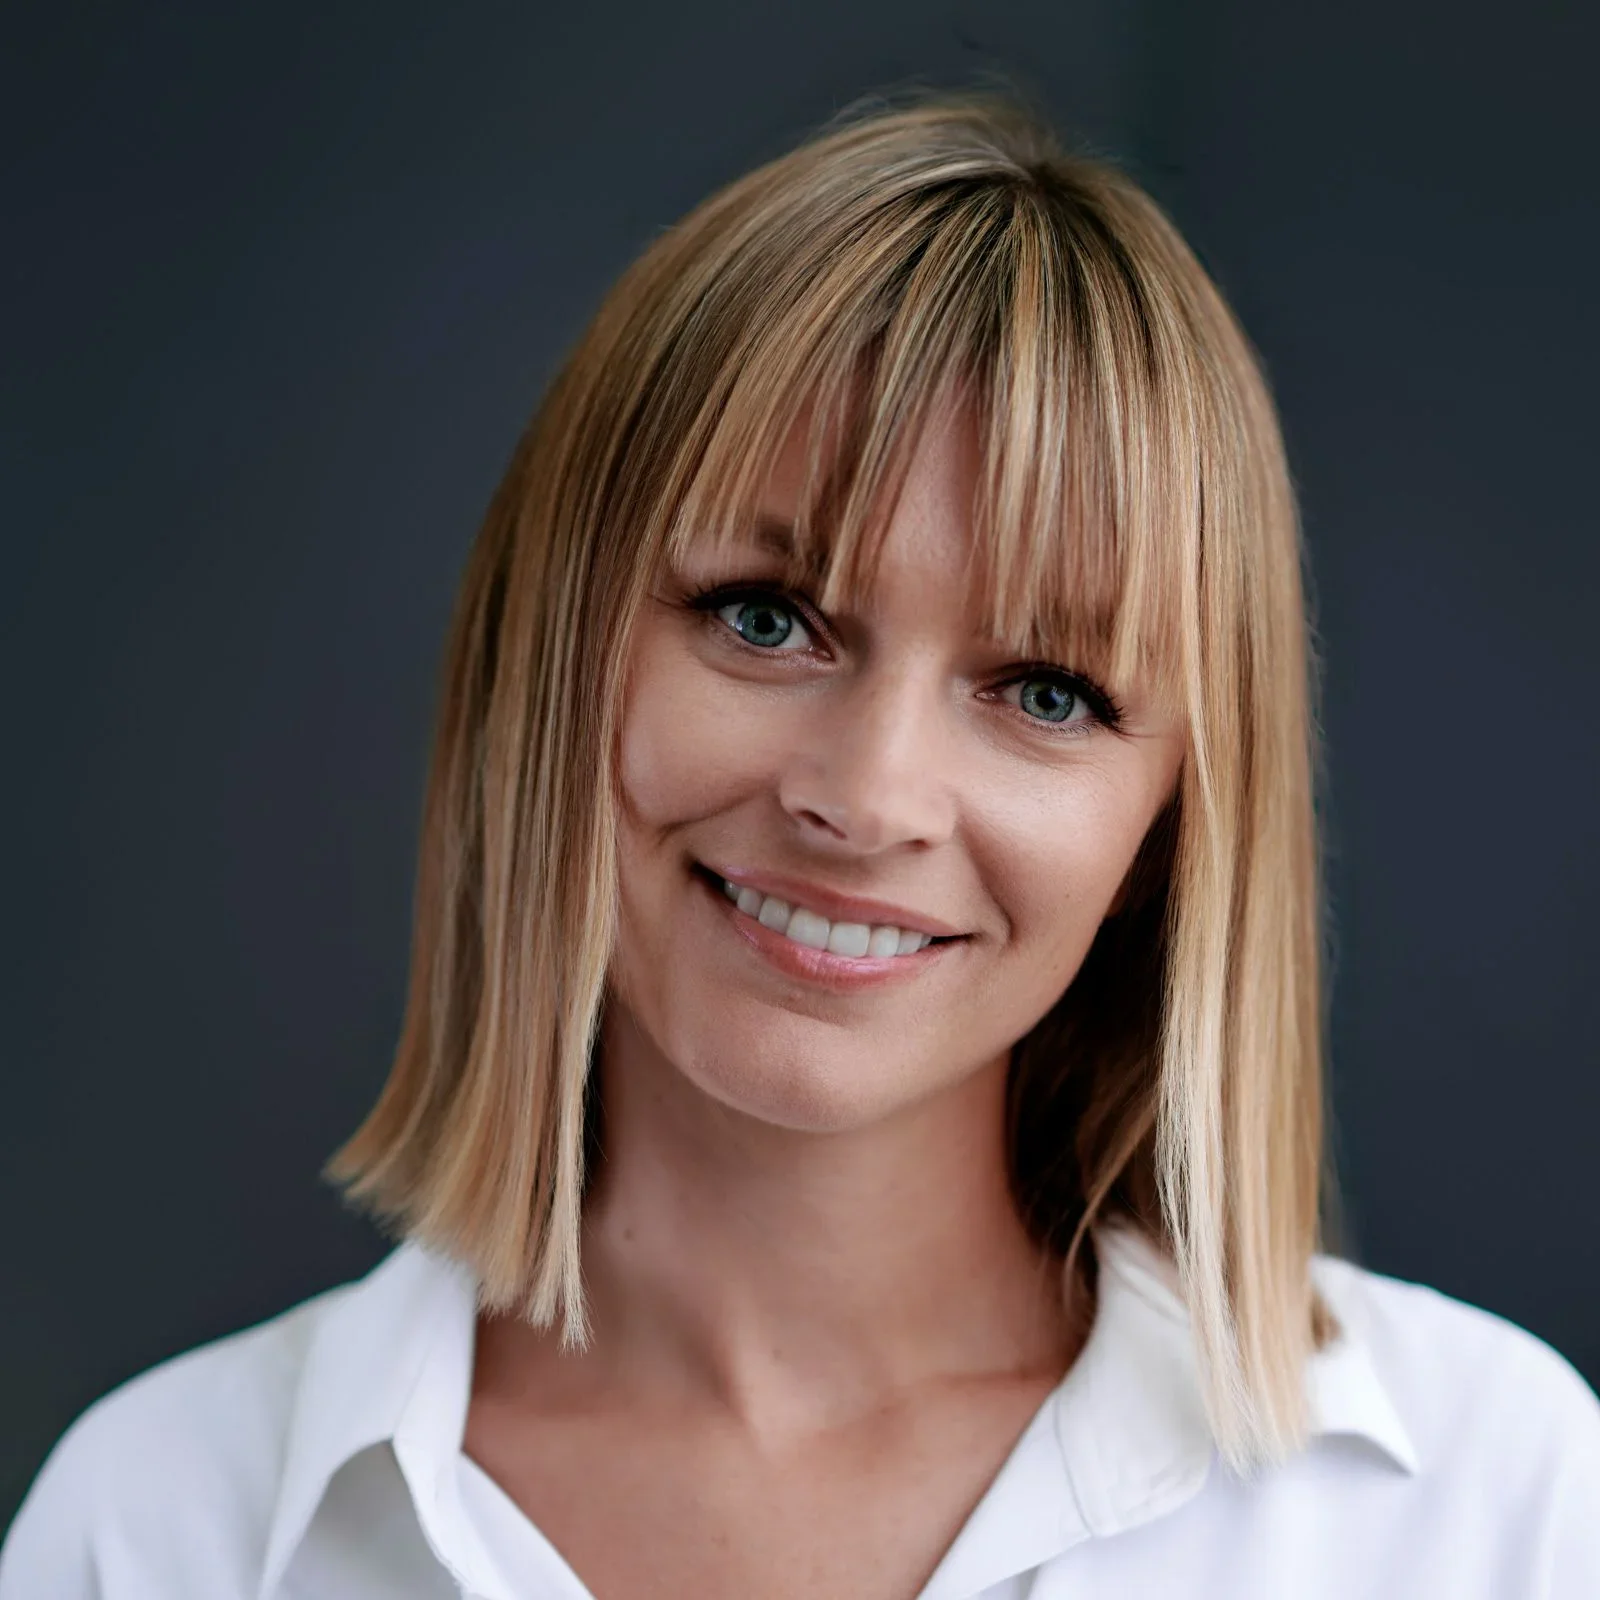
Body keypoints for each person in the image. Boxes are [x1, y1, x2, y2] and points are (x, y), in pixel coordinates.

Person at [3, 93, 1596, 1600]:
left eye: (1046, 690)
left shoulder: (1488, 1508)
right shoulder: (162, 1529)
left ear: (1177, 814)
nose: (870, 795)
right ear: (554, 647)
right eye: (765, 620)